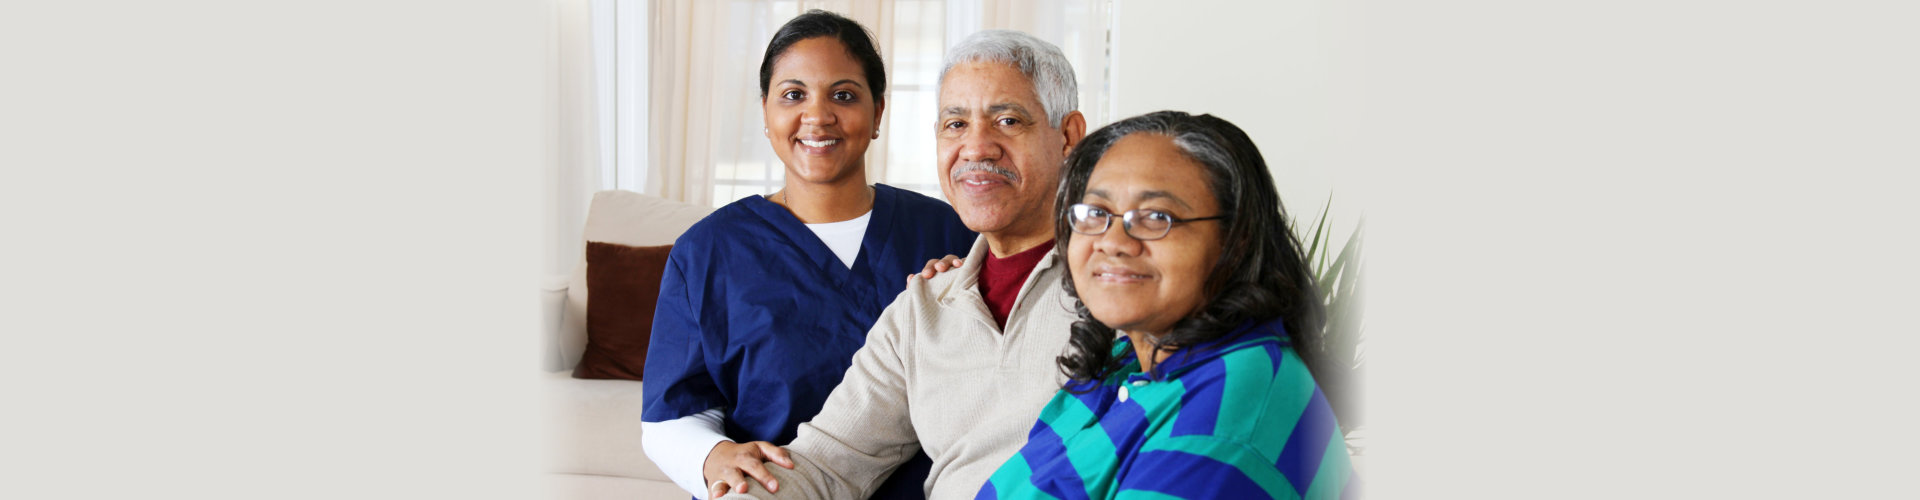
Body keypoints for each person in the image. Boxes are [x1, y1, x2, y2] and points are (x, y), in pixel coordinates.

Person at [714, 30, 1090, 500]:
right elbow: (825, 464)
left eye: (1008, 120)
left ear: (1069, 137)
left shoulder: (1121, 288)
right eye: (955, 125)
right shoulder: (923, 308)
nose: (976, 148)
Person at [640, 10, 976, 500]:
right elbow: (672, 416)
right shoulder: (708, 251)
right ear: (765, 111)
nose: (817, 116)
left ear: (878, 112)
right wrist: (713, 456)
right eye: (793, 95)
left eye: (843, 95)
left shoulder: (946, 229)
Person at [975, 111, 1355, 499]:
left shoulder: (1229, 412)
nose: (1113, 241)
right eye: (1096, 213)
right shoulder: (1123, 361)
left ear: (1235, 239)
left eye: (1157, 216)